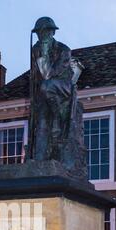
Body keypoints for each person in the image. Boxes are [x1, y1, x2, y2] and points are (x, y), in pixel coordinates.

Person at [29, 17, 75, 162]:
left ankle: (56, 117)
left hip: (63, 88)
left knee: (46, 85)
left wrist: (43, 54)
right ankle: (39, 158)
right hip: (44, 93)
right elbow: (35, 76)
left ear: (52, 33)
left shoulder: (64, 50)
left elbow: (48, 74)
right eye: (38, 33)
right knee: (42, 121)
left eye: (44, 33)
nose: (41, 37)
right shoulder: (35, 49)